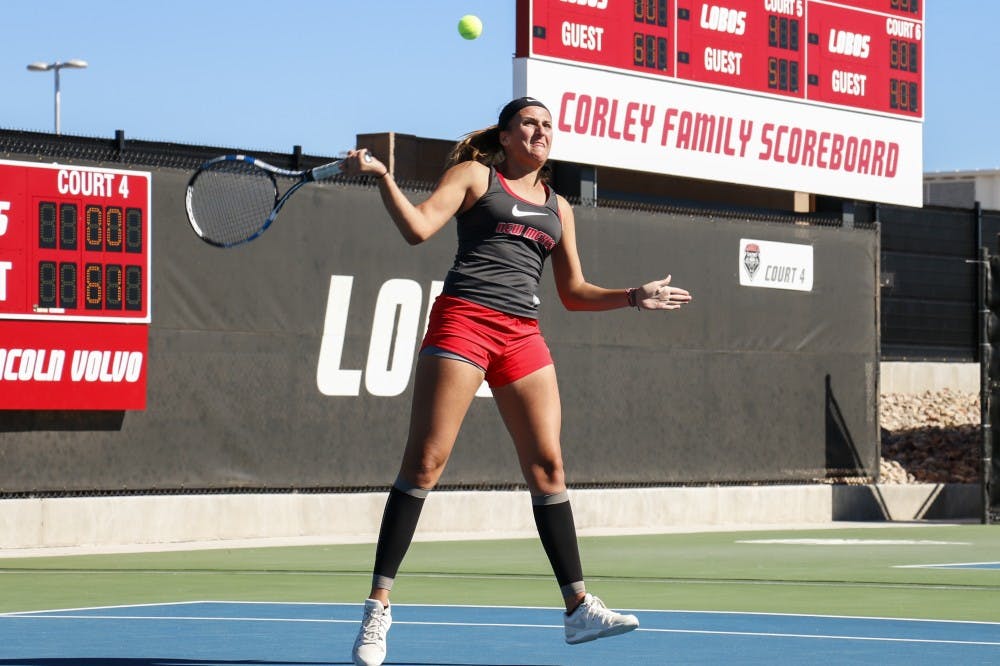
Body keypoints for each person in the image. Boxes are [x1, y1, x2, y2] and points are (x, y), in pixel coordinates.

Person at [340, 97, 692, 666]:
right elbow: (418, 228)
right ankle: (377, 608)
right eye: (529, 123)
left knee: (549, 468)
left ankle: (578, 608)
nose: (541, 132)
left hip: (522, 334)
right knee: (425, 463)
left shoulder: (559, 207)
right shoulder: (474, 176)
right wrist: (382, 177)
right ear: (505, 136)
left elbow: (573, 293)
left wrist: (633, 296)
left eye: (548, 125)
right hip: (464, 320)